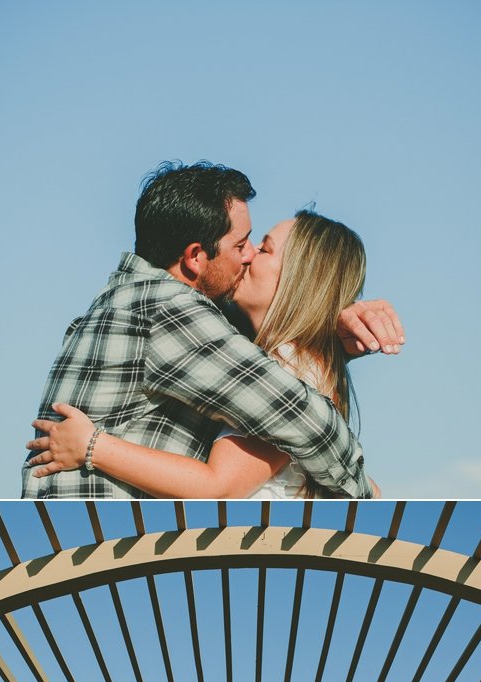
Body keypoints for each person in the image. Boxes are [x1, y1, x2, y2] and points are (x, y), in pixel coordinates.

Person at [21, 162, 403, 501]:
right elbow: (305, 420)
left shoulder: (136, 300)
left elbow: (223, 480)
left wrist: (331, 331)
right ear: (194, 257)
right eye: (243, 244)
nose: (249, 254)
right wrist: (364, 492)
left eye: (263, 248)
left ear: (300, 281)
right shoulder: (172, 310)